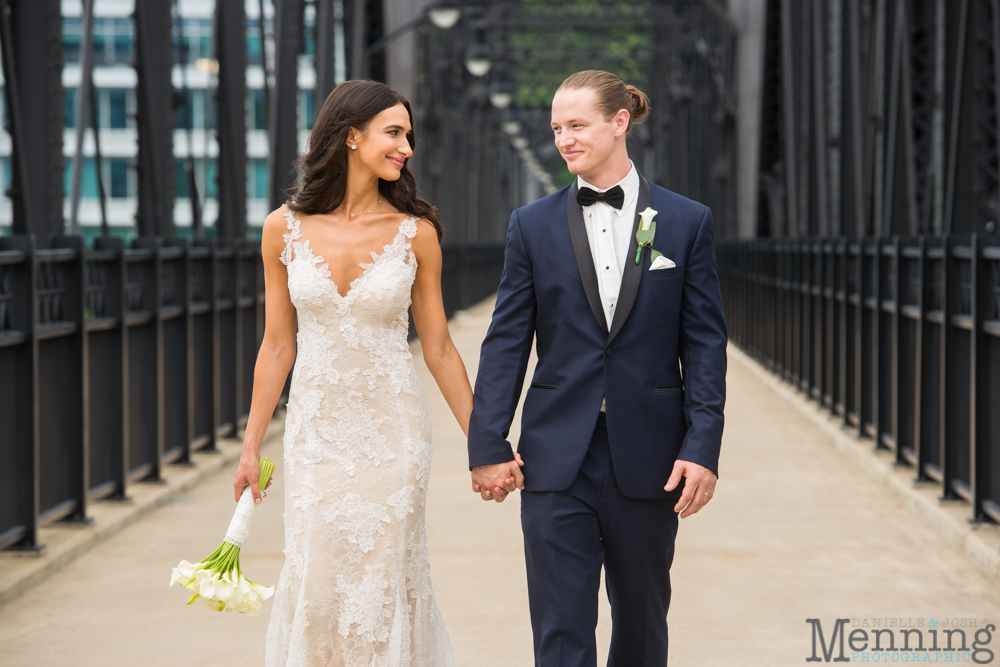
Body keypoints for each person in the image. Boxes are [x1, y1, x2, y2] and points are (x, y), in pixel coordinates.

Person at [467, 70, 728, 666]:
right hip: (557, 455)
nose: (564, 139)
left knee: (641, 628)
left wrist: (703, 445)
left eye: (577, 125)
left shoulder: (686, 222)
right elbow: (506, 341)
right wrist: (487, 444)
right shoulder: (529, 225)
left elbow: (706, 344)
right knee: (560, 631)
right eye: (557, 128)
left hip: (653, 456)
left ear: (620, 122)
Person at [233, 79, 470, 666]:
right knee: (315, 577)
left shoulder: (417, 234)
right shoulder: (280, 230)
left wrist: (485, 440)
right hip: (316, 436)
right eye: (394, 133)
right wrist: (250, 445)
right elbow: (276, 346)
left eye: (409, 135)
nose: (407, 147)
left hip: (394, 435)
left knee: (384, 579)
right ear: (350, 137)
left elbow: (439, 348)